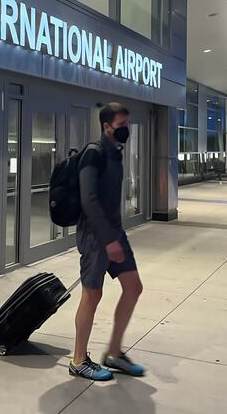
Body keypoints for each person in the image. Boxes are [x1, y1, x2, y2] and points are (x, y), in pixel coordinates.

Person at [68, 102, 146, 381]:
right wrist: (108, 239)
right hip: (95, 235)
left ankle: (113, 353)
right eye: (122, 125)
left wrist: (115, 237)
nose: (126, 130)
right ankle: (78, 360)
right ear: (106, 126)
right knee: (92, 294)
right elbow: (89, 200)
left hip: (115, 232)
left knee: (134, 287)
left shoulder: (116, 153)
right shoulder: (94, 154)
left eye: (128, 124)